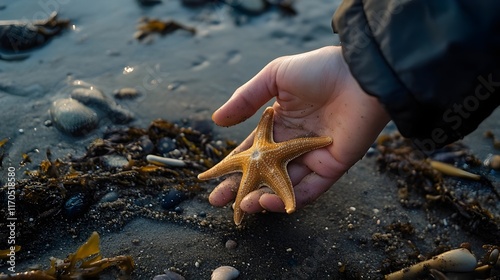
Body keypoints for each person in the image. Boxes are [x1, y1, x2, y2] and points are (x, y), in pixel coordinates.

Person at [208, 0, 500, 215]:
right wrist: (358, 72)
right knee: (254, 189)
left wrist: (360, 69)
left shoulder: (270, 145)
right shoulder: (264, 143)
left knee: (275, 189)